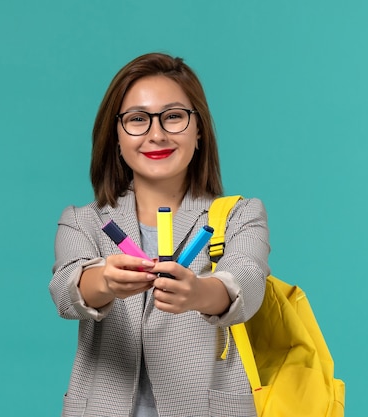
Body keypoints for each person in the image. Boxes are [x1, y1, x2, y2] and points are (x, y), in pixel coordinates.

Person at [49, 52, 270, 417]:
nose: (157, 134)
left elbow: (246, 281)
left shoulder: (240, 215)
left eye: (173, 117)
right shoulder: (83, 221)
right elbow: (65, 289)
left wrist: (198, 291)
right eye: (138, 119)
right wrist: (104, 280)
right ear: (115, 137)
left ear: (198, 129)